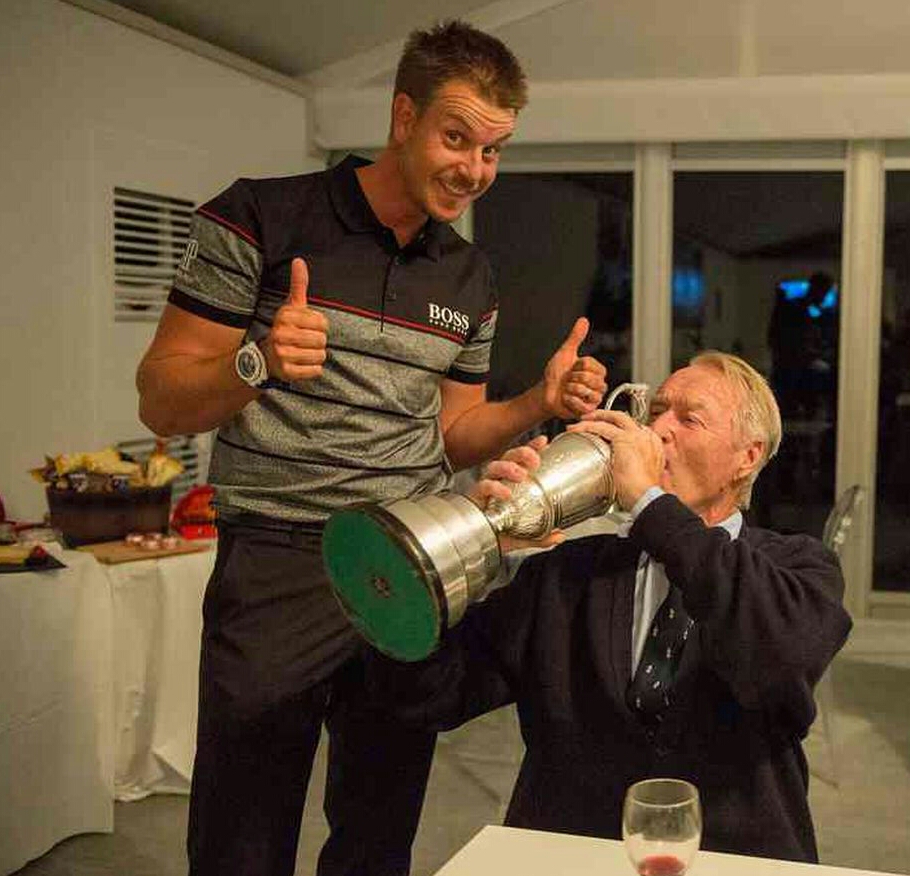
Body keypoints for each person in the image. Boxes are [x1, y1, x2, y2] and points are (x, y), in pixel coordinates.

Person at [135, 19, 607, 876]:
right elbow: (161, 397)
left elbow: (456, 433)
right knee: (242, 837)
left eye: (494, 150)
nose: (474, 170)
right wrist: (257, 361)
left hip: (408, 560)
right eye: (456, 137)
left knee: (379, 832)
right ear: (402, 116)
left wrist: (537, 403)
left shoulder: (470, 277)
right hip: (278, 563)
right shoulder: (260, 216)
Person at [367, 351, 852, 863]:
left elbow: (778, 655)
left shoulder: (798, 570)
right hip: (571, 856)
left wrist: (649, 504)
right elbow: (428, 695)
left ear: (747, 458)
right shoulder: (568, 572)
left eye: (688, 419)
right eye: (657, 411)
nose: (658, 430)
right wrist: (472, 551)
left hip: (737, 859)